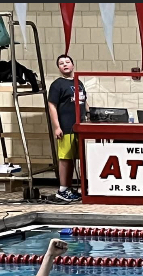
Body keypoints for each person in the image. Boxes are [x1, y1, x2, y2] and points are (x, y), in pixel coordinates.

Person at [47, 54, 86, 202]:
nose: (65, 64)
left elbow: (83, 101)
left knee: (74, 159)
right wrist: (57, 126)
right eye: (61, 63)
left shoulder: (79, 82)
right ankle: (63, 189)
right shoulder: (57, 84)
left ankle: (70, 189)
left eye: (67, 62)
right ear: (58, 68)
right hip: (66, 127)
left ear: (73, 65)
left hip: (79, 128)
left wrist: (89, 115)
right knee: (65, 159)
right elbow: (52, 105)